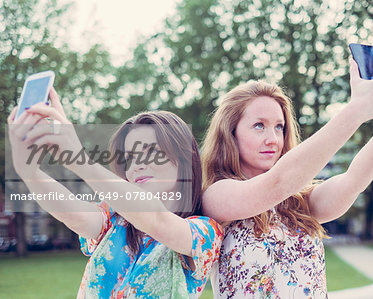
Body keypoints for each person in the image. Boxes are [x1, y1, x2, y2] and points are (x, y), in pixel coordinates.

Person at [200, 60, 373, 298]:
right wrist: (357, 109)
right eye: (259, 126)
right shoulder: (216, 195)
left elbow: (353, 182)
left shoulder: (298, 203)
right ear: (231, 134)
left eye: (279, 127)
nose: (273, 139)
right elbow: (278, 183)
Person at [7, 88, 223, 298]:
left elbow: (156, 220)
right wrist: (29, 172)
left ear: (185, 159)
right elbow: (74, 216)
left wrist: (79, 160)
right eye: (129, 157)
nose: (137, 165)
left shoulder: (206, 233)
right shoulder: (114, 218)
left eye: (151, 152)